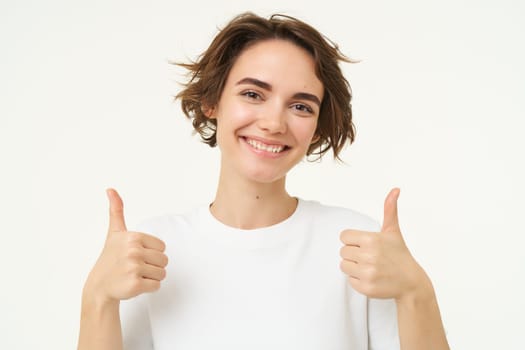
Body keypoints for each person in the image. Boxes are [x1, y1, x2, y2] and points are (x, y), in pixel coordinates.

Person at [77, 12, 449, 350]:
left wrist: (417, 292)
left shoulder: (358, 248)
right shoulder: (152, 251)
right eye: (253, 94)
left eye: (301, 106)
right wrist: (97, 297)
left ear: (316, 129)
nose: (274, 123)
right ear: (212, 101)